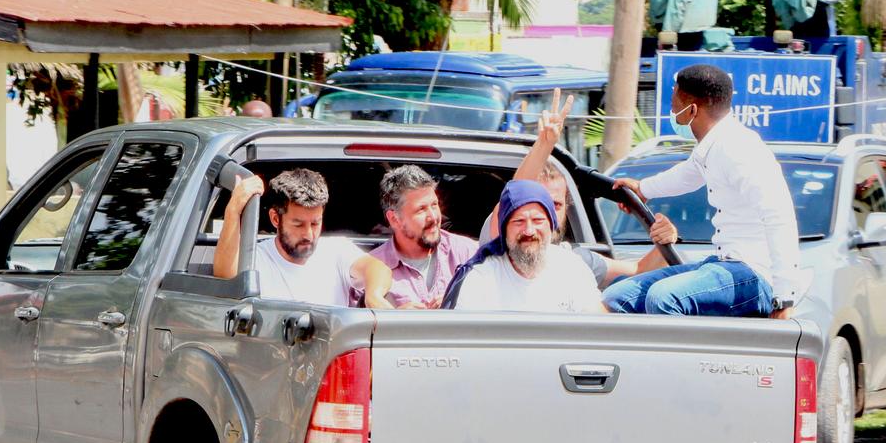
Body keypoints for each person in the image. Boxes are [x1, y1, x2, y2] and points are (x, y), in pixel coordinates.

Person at [606, 64, 804, 318]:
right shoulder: (712, 146)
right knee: (617, 297)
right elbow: (687, 175)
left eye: (674, 101)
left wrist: (784, 297)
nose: (672, 109)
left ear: (693, 110)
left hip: (754, 274)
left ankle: (675, 359)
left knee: (663, 298)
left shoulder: (737, 147)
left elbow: (779, 214)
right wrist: (643, 188)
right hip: (723, 265)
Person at [481, 89, 679, 287]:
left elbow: (639, 271)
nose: (542, 217)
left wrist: (665, 238)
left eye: (554, 205)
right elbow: (517, 194)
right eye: (533, 207)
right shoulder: (503, 249)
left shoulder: (574, 262)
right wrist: (544, 144)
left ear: (566, 209)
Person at [211, 168, 385, 307]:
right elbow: (225, 273)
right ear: (275, 218)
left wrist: (374, 295)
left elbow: (376, 268)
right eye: (298, 225)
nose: (308, 234)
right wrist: (234, 209)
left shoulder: (336, 250)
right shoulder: (257, 257)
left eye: (315, 224)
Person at [443, 180, 604, 314]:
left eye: (537, 220)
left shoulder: (572, 269)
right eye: (518, 221)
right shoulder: (481, 278)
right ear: (504, 229)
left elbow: (597, 331)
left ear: (551, 225)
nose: (529, 231)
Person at [359, 165, 480, 309]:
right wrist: (396, 318)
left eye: (434, 205)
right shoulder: (370, 270)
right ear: (394, 219)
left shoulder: (468, 253)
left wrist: (459, 302)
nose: (433, 217)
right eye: (421, 209)